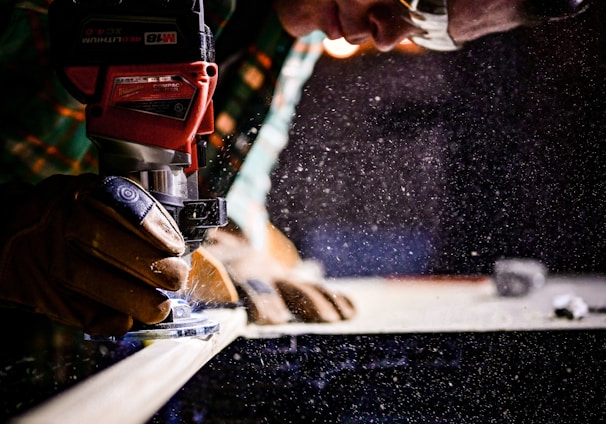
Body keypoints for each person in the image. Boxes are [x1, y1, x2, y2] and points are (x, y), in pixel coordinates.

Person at [0, 0, 590, 337]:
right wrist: (8, 230)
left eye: (432, 30)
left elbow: (239, 185)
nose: (387, 36)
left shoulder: (301, 29)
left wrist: (233, 249)